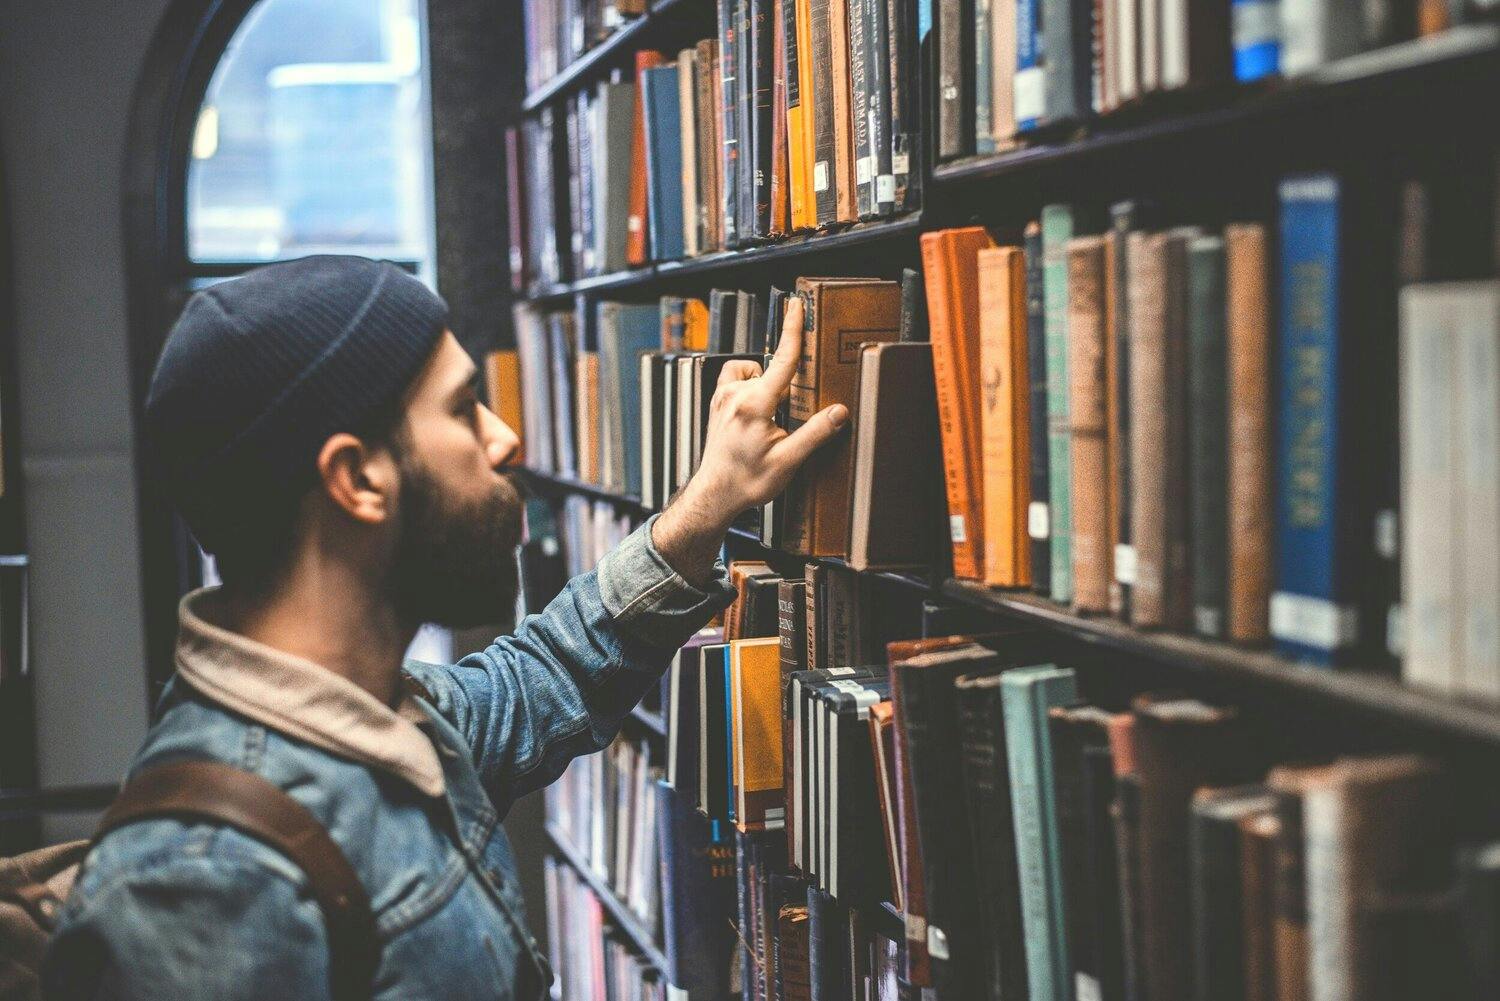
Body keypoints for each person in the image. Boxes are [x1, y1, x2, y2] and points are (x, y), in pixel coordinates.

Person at [40, 256, 847, 999]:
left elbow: (550, 674)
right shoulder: (204, 885)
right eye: (464, 409)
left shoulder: (391, 715)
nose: (506, 438)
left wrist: (709, 500)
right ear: (357, 479)